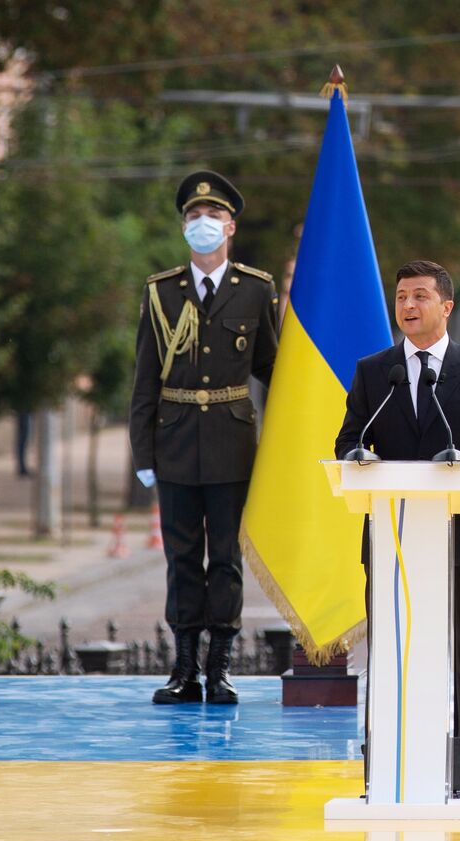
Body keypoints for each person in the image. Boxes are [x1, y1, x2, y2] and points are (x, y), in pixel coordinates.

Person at [334, 259, 460, 742]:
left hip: (455, 533)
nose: (408, 305)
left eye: (420, 296)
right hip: (390, 534)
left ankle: (456, 750)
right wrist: (356, 458)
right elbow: (348, 441)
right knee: (390, 646)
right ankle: (383, 752)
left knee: (452, 645)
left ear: (446, 306)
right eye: (401, 297)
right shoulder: (376, 372)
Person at [129, 171, 279, 705]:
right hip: (173, 445)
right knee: (182, 559)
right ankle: (183, 668)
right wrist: (143, 452)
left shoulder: (256, 289)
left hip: (232, 445)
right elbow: (146, 379)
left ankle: (219, 670)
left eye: (212, 217)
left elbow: (274, 371)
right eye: (193, 217)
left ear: (230, 226)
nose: (202, 225)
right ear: (183, 228)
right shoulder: (161, 291)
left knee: (227, 562)